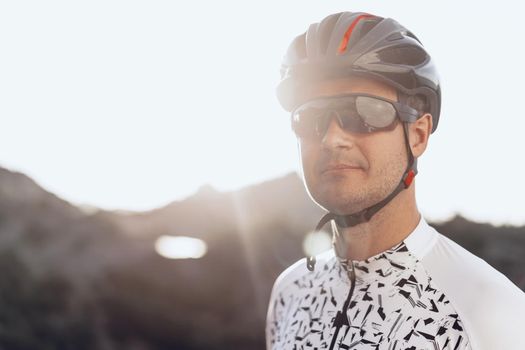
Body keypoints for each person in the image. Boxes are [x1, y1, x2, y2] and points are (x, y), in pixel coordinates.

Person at [265, 11, 525, 350]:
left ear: (417, 135)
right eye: (310, 118)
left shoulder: (492, 312)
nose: (332, 138)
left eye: (364, 113)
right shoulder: (290, 292)